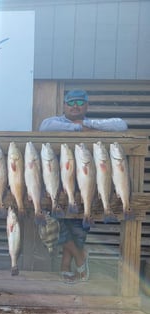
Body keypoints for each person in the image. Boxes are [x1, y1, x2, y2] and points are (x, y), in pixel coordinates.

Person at [39, 89, 128, 284]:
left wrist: (86, 124)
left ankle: (65, 264)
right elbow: (44, 127)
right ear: (64, 105)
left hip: (85, 184)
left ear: (87, 106)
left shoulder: (91, 122)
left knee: (79, 228)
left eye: (80, 102)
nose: (75, 106)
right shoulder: (55, 122)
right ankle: (81, 257)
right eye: (71, 102)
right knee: (56, 225)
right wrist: (79, 129)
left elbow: (121, 124)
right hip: (56, 185)